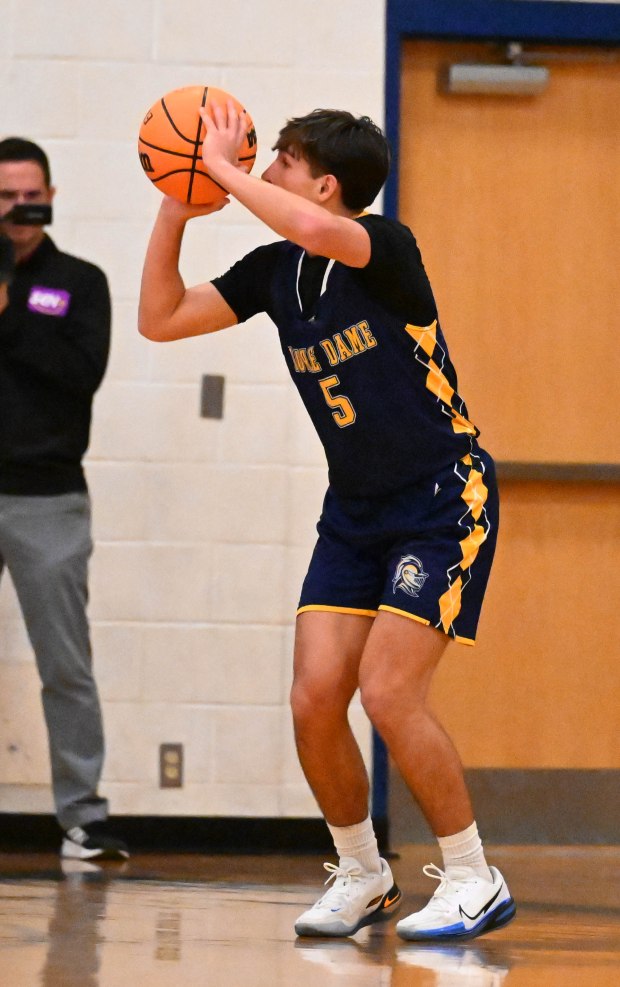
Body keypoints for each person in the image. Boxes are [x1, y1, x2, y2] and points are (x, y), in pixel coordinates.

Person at [138, 104, 516, 940]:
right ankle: (362, 870)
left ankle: (471, 874)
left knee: (386, 690)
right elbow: (159, 318)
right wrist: (178, 200)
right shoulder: (278, 271)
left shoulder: (386, 248)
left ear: (325, 182)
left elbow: (313, 225)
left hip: (441, 500)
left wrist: (221, 170)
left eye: (280, 159)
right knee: (314, 700)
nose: (264, 166)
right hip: (354, 511)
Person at [0, 137, 128, 861]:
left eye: (30, 193)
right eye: (6, 195)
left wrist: (9, 312)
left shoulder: (80, 282)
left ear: (50, 193)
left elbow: (79, 375)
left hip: (48, 500)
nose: (20, 206)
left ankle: (82, 815)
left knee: (65, 666)